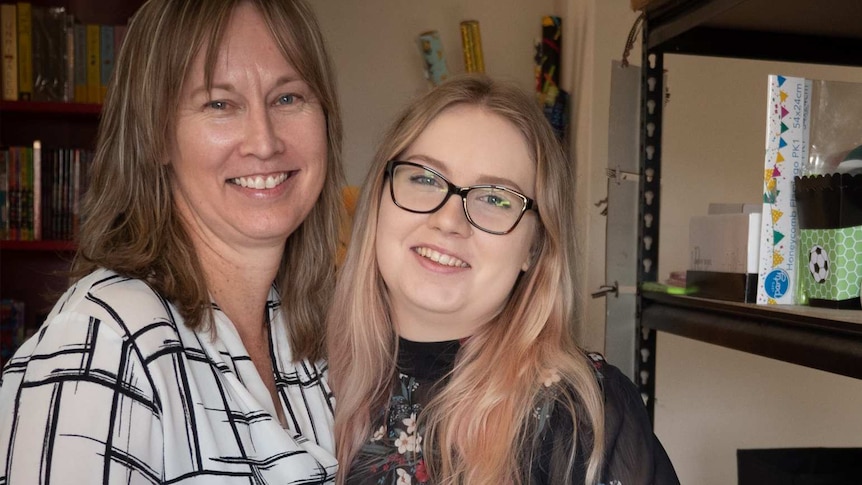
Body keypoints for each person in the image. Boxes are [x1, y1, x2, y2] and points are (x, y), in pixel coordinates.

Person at [0, 0, 345, 482]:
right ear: (157, 135)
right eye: (219, 104)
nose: (264, 142)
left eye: (288, 98)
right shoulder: (104, 340)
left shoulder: (318, 333)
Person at [327, 75, 680, 485]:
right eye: (424, 178)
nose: (449, 221)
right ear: (377, 200)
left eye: (495, 198)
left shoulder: (584, 415)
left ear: (534, 247)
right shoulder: (301, 378)